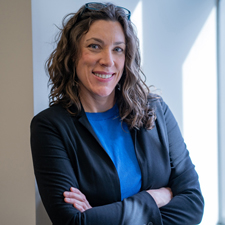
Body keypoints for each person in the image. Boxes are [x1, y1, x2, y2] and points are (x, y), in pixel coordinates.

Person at [30, 2, 204, 225]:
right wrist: (154, 198)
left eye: (118, 49)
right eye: (94, 46)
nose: (108, 61)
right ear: (73, 54)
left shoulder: (156, 110)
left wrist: (101, 215)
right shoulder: (50, 126)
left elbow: (193, 206)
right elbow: (72, 222)